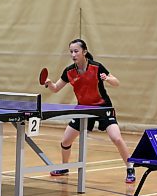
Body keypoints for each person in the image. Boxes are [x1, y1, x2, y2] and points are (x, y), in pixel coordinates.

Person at [43, 38, 135, 183]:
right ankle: (65, 167)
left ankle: (130, 167)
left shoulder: (97, 67)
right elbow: (56, 89)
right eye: (71, 52)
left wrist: (107, 79)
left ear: (84, 52)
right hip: (83, 108)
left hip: (102, 107)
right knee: (66, 140)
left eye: (76, 51)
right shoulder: (69, 71)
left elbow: (116, 82)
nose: (73, 54)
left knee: (116, 138)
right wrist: (49, 83)